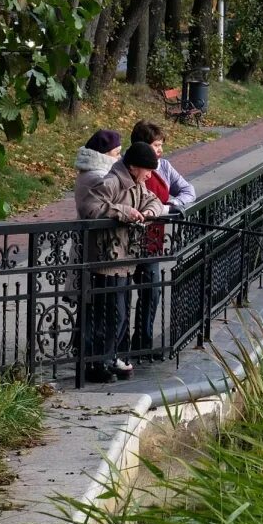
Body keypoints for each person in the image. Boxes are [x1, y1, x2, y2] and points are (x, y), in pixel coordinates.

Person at [78, 142, 166, 383]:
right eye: (148, 170)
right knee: (107, 313)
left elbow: (155, 201)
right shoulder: (112, 182)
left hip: (125, 259)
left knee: (121, 313)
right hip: (107, 259)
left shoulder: (139, 184)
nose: (150, 175)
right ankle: (96, 363)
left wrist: (148, 213)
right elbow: (89, 207)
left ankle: (110, 357)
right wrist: (124, 212)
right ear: (135, 166)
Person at [121, 120, 196, 361]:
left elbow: (188, 191)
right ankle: (119, 348)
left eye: (161, 145)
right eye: (156, 145)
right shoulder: (123, 168)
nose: (160, 150)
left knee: (151, 291)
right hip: (124, 243)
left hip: (152, 242)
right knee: (120, 295)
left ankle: (142, 342)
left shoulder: (164, 168)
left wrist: (168, 206)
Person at [73, 129, 122, 214]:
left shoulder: (88, 172)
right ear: (105, 154)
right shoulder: (101, 178)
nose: (120, 157)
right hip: (96, 225)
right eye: (117, 153)